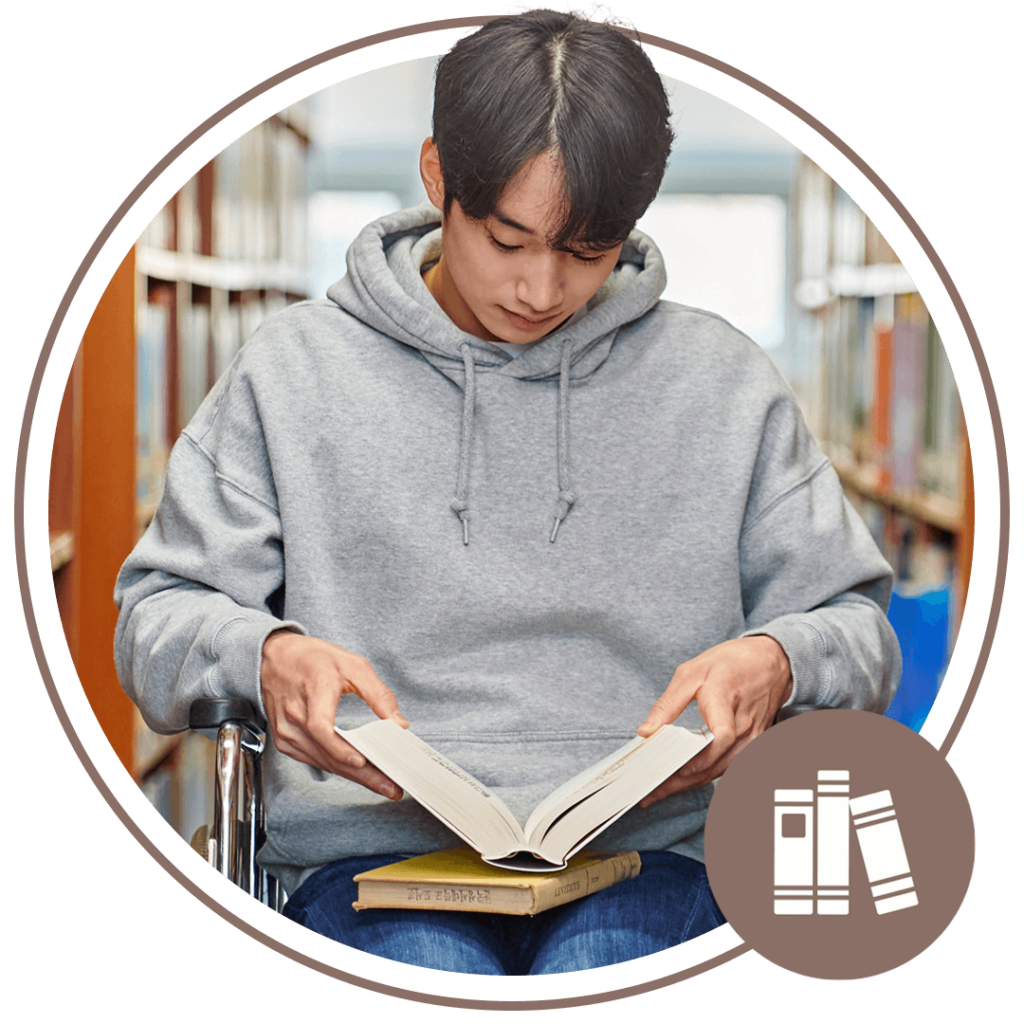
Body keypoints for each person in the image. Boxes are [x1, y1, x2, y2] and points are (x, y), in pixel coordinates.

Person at [114, 6, 900, 975]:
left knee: (603, 958)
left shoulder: (726, 383)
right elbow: (152, 621)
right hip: (371, 858)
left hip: (653, 855)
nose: (540, 288)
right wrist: (263, 654)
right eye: (508, 238)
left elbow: (860, 629)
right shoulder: (290, 372)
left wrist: (777, 659)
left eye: (586, 249)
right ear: (437, 176)